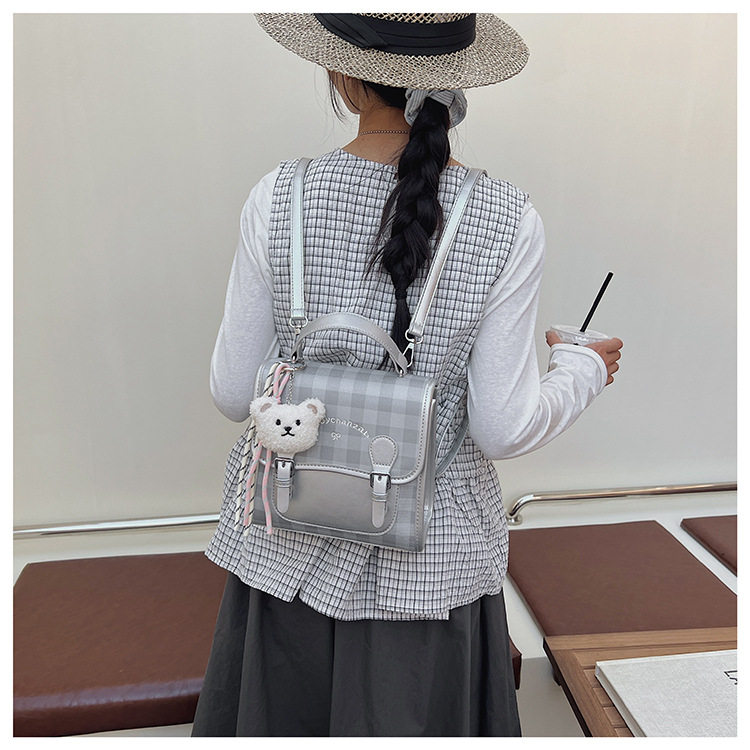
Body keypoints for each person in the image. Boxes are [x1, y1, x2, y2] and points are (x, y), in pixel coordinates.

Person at [192, 13, 623, 738]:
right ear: (453, 85)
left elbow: (235, 394)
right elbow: (502, 427)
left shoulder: (279, 194)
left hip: (286, 543)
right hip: (429, 568)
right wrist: (582, 368)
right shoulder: (508, 217)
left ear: (342, 76)